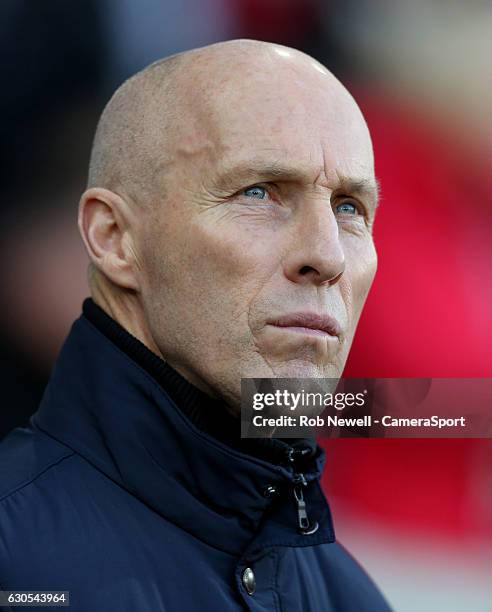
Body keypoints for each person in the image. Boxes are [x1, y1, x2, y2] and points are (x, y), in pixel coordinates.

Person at [0, 40, 390, 611]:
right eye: (258, 192)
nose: (327, 256)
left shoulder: (351, 597)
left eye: (349, 208)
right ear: (114, 238)